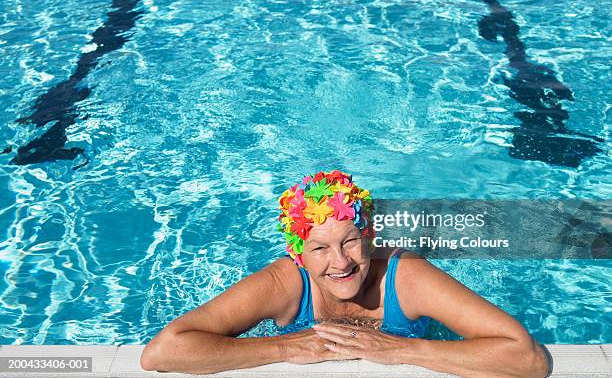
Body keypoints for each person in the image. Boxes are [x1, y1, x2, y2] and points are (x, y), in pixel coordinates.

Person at [140, 170, 549, 377]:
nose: (340, 262)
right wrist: (286, 349)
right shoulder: (285, 282)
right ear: (298, 253)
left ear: (369, 236)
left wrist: (399, 351)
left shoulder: (405, 277)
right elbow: (162, 351)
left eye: (351, 241)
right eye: (320, 248)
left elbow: (526, 358)